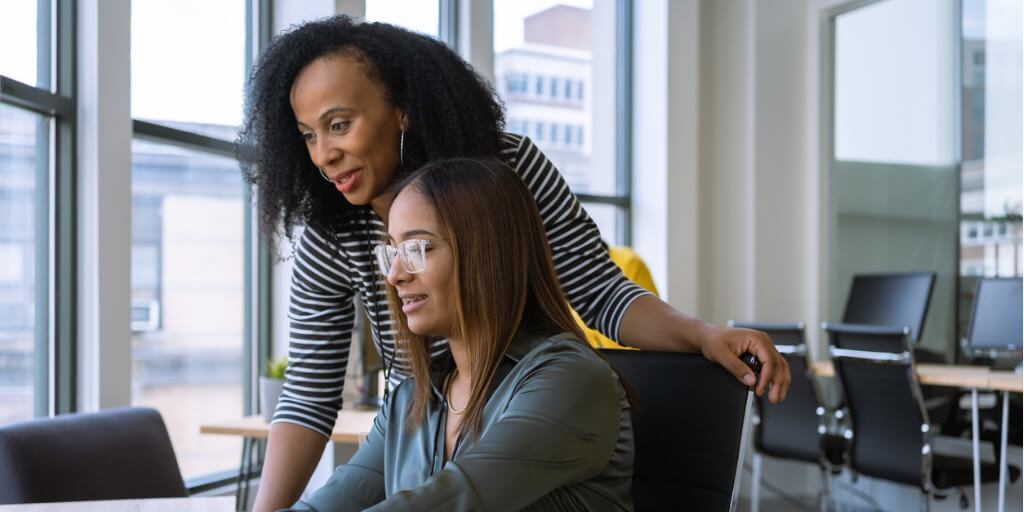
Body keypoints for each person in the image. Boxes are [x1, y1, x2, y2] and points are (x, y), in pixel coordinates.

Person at [237, 15, 790, 512]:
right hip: (432, 417)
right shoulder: (403, 381)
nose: (323, 154)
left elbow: (600, 291)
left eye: (339, 125)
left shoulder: (505, 175)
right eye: (308, 136)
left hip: (519, 404)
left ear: (401, 108)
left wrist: (700, 334)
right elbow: (310, 390)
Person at [283, 158, 634, 511]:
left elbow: (451, 502)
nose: (395, 275)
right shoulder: (410, 400)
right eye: (391, 251)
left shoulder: (572, 381)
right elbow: (327, 505)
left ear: (486, 251)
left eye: (417, 248)